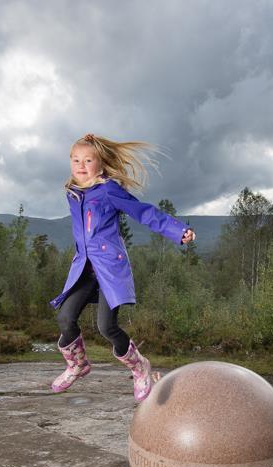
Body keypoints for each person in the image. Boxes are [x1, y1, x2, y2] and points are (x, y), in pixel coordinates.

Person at [50, 134, 196, 402]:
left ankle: (139, 367)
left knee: (106, 327)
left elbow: (144, 212)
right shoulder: (73, 193)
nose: (81, 166)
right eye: (75, 160)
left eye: (88, 160)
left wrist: (178, 231)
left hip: (109, 268)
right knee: (65, 317)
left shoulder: (109, 190)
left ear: (101, 164)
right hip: (84, 267)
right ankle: (78, 364)